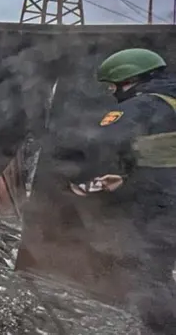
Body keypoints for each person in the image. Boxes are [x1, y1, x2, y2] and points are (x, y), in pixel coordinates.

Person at [68, 48, 175, 335]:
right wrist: (126, 178)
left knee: (148, 272)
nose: (113, 93)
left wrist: (83, 179)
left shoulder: (142, 105)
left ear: (128, 81)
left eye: (113, 87)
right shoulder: (171, 100)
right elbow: (161, 155)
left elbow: (103, 144)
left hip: (160, 205)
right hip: (163, 193)